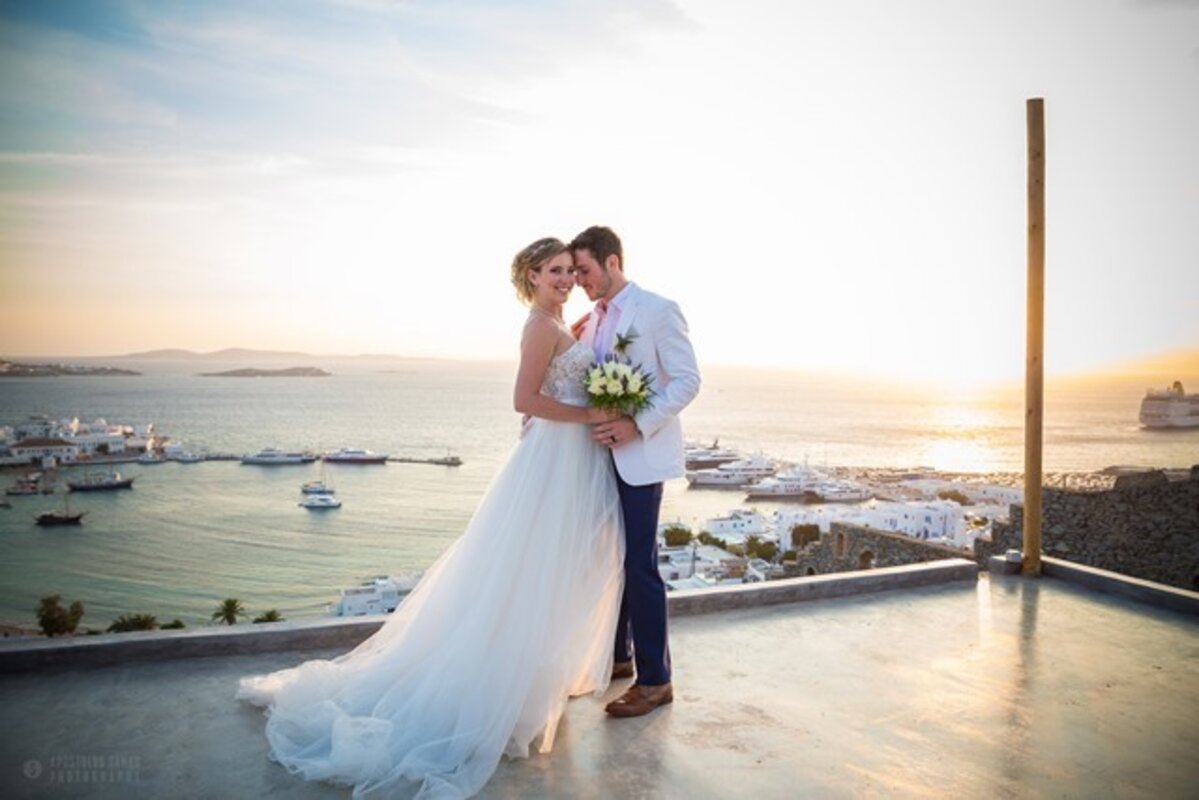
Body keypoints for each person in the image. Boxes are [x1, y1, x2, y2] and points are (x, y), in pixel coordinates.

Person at [238, 237, 625, 799]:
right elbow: (524, 400)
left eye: (570, 270)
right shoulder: (539, 326)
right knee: (527, 573)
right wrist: (589, 411)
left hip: (563, 459)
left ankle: (526, 688)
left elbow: (552, 384)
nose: (566, 278)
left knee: (546, 575)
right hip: (552, 463)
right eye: (555, 271)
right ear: (533, 276)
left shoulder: (562, 322)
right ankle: (499, 692)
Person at [570, 225, 701, 718]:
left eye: (584, 270)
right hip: (601, 457)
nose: (579, 280)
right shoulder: (597, 319)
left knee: (641, 567)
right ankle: (621, 657)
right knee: (614, 560)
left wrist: (635, 425)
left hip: (642, 457)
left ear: (613, 262)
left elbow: (688, 381)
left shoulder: (657, 310)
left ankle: (656, 682)